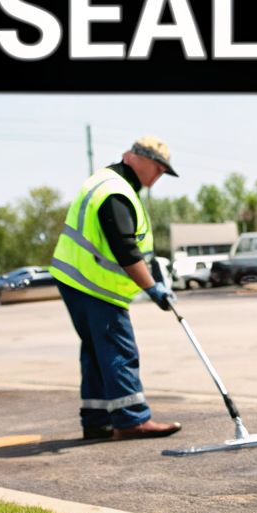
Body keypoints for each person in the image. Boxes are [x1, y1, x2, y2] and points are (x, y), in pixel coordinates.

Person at [50, 136, 183, 441]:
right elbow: (125, 250)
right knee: (119, 350)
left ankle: (96, 421)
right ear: (137, 158)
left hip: (77, 281)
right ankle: (131, 420)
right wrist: (153, 289)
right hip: (94, 285)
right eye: (159, 169)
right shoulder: (115, 191)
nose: (159, 176)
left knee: (97, 351)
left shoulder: (108, 183)